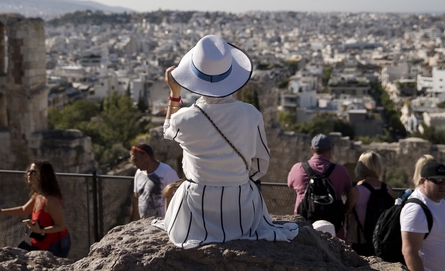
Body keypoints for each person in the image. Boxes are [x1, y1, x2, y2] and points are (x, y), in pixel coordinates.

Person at [161, 34, 299, 249]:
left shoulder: (184, 119)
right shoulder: (251, 114)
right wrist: (236, 178)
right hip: (242, 206)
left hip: (196, 208)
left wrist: (174, 93)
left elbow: (167, 130)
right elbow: (261, 163)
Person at [0, 160, 70, 257]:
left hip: (55, 245)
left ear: (43, 175)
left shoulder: (50, 200)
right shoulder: (37, 195)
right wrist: (0, 211)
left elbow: (61, 226)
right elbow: (23, 209)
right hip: (43, 242)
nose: (29, 174)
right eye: (29, 171)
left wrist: (41, 231)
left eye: (33, 172)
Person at [287, 134, 358, 239]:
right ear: (330, 150)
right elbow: (349, 189)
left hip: (303, 226)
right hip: (333, 228)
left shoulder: (297, 168)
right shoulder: (341, 171)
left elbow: (290, 185)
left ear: (312, 149)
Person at [400, 162, 445, 271]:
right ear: (423, 181)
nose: (443, 185)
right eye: (438, 180)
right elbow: (409, 252)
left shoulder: (441, 202)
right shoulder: (416, 209)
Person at [347, 150, 394, 256]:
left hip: (360, 239)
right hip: (381, 238)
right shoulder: (388, 189)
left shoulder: (356, 191)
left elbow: (348, 211)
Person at [130, 144, 180, 221]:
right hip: (144, 224)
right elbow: (136, 198)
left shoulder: (167, 173)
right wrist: (132, 222)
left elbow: (178, 200)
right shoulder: (138, 173)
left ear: (145, 157)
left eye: (135, 160)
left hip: (163, 224)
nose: (133, 164)